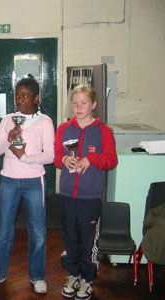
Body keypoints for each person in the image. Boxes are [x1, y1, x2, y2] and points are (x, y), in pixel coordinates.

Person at [0, 74, 55, 294]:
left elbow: (51, 155)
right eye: (17, 96)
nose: (20, 101)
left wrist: (25, 157)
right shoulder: (8, 120)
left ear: (36, 98)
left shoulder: (45, 121)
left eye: (25, 96)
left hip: (34, 181)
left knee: (37, 232)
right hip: (9, 180)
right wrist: (8, 138)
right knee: (3, 230)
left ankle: (37, 276)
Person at [54, 84, 117, 300]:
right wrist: (64, 159)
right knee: (70, 237)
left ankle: (87, 279)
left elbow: (111, 159)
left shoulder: (103, 131)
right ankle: (73, 275)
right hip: (68, 194)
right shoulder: (63, 129)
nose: (78, 107)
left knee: (88, 240)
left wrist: (92, 158)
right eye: (75, 103)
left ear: (94, 105)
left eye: (83, 103)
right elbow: (56, 157)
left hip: (90, 196)